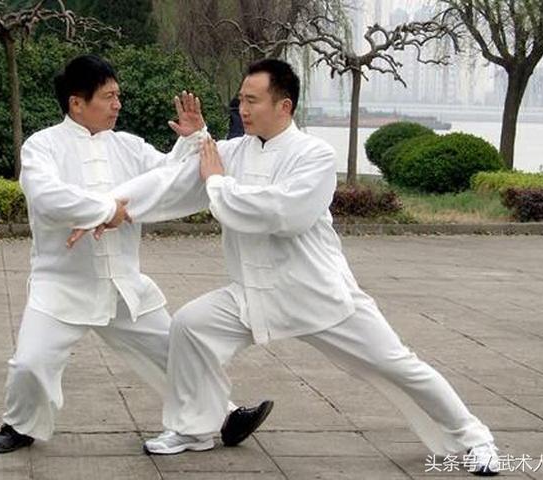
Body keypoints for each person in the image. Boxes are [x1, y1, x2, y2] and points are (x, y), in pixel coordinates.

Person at [143, 59, 500, 476]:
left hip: (316, 292)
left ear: (284, 106)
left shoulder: (314, 154)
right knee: (190, 327)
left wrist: (219, 184)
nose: (243, 108)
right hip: (253, 293)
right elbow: (177, 180)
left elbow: (282, 214)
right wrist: (193, 142)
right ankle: (193, 429)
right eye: (241, 99)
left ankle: (474, 438)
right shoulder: (233, 151)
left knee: (396, 364)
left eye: (253, 100)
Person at [0, 54, 271, 454]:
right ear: (77, 103)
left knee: (175, 353)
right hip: (62, 284)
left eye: (118, 96)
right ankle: (19, 426)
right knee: (31, 362)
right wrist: (106, 209)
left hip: (123, 285)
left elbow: (170, 178)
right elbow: (46, 196)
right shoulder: (43, 146)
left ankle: (224, 416)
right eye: (109, 97)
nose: (118, 104)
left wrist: (193, 139)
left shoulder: (129, 146)